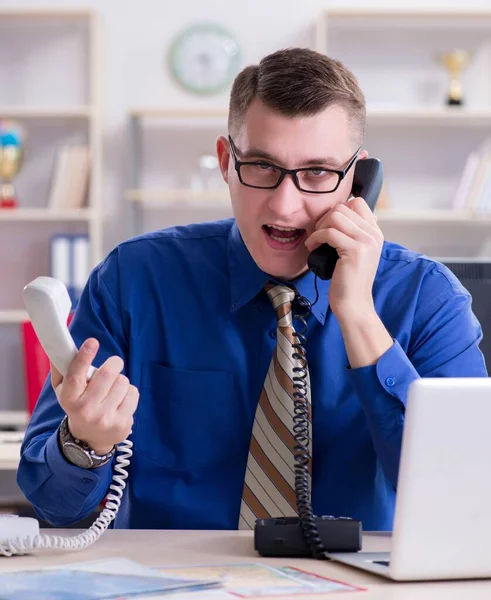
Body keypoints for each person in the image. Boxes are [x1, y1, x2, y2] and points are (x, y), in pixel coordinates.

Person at [17, 48, 487, 532]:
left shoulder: (428, 298)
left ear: (358, 179)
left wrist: (360, 317)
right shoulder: (132, 281)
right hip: (176, 582)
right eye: (262, 166)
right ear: (226, 161)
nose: (285, 206)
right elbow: (54, 506)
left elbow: (467, 504)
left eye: (318, 173)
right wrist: (84, 445)